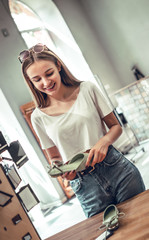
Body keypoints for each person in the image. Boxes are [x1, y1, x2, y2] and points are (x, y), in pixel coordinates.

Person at [19, 43, 145, 218]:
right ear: (30, 81)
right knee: (109, 234)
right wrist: (62, 172)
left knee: (143, 222)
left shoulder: (87, 89)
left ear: (58, 66)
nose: (46, 82)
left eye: (49, 73)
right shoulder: (38, 117)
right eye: (37, 79)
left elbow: (116, 126)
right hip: (85, 185)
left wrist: (103, 142)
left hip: (117, 169)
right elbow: (54, 158)